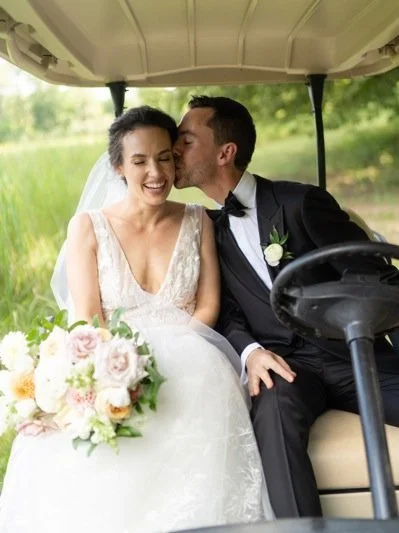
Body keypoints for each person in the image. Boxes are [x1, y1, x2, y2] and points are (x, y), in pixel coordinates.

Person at [0, 106, 273, 533]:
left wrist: (176, 352)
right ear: (118, 167)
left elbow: (207, 306)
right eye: (140, 161)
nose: (156, 172)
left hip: (193, 357)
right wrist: (122, 368)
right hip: (111, 361)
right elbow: (89, 316)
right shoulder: (87, 228)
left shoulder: (197, 220)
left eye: (165, 157)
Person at [172, 95, 399, 518]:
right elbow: (225, 312)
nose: (174, 150)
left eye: (185, 140)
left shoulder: (299, 203)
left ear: (225, 152)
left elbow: (370, 274)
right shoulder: (207, 230)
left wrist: (348, 321)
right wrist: (251, 352)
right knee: (273, 406)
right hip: (286, 366)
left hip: (349, 353)